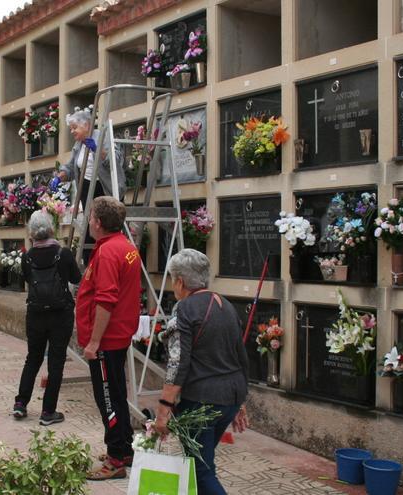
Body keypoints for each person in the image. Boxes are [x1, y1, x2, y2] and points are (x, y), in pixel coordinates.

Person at [152, 249, 250, 495]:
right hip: (230, 397)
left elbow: (177, 363)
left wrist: (163, 409)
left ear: (180, 281)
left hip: (202, 401)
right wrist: (240, 402)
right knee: (203, 464)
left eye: (173, 279)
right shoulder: (225, 305)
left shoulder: (184, 309)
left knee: (200, 471)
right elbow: (240, 356)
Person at [77, 196, 141, 480]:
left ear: (99, 223)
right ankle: (124, 448)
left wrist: (93, 342)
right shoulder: (127, 248)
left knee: (107, 399)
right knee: (116, 393)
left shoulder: (106, 253)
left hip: (106, 340)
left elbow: (105, 300)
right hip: (119, 336)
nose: (88, 221)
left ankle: (115, 461)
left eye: (90, 217)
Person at [12, 210, 81, 425]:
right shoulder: (64, 253)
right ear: (52, 228)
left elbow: (27, 278)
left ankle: (20, 404)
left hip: (36, 313)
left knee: (33, 358)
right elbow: (76, 278)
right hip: (61, 314)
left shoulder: (27, 256)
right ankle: (48, 412)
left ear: (31, 232)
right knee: (56, 362)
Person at [54, 107, 124, 261]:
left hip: (105, 188)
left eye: (74, 128)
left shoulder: (103, 136)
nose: (72, 131)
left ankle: (110, 257)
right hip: (87, 189)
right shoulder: (78, 145)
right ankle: (90, 261)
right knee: (90, 226)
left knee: (106, 225)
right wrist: (59, 177)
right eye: (71, 128)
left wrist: (97, 150)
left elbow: (116, 159)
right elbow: (71, 167)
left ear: (86, 125)